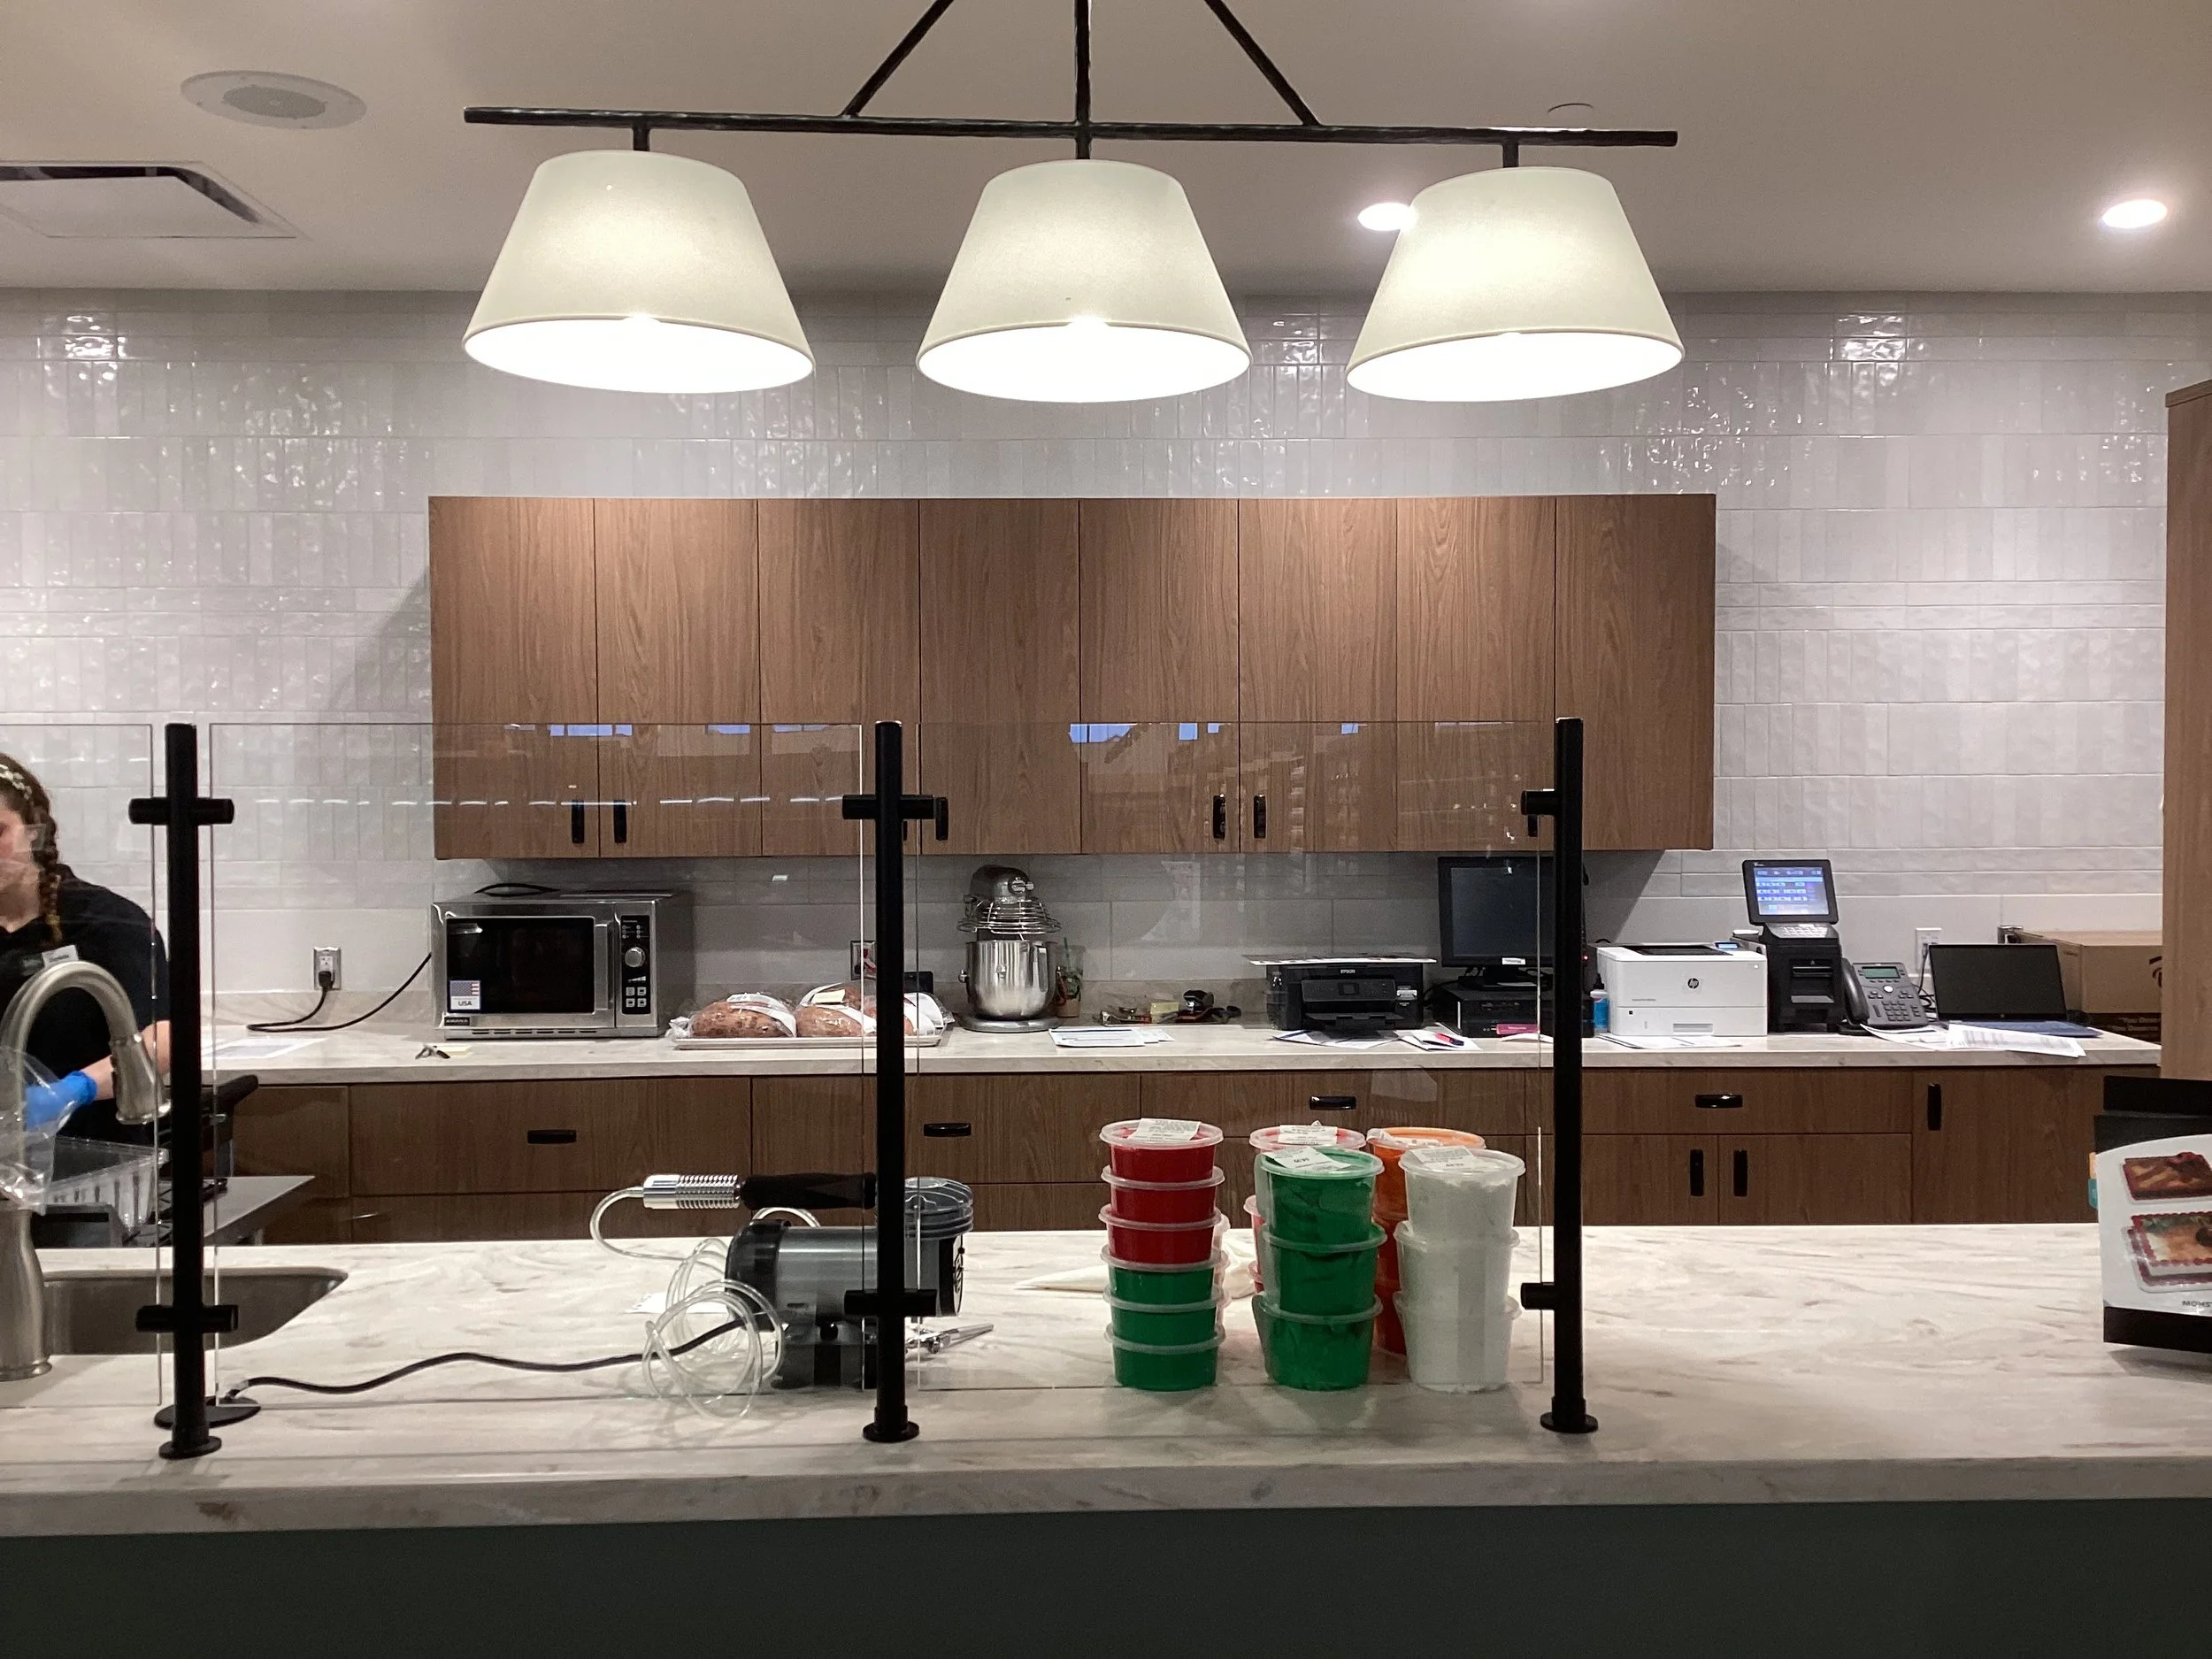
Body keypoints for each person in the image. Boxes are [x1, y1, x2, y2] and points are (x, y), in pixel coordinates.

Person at [0, 752, 168, 1140]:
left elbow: (164, 1038)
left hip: (93, 1153)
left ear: (34, 830)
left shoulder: (107, 922)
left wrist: (74, 1090)